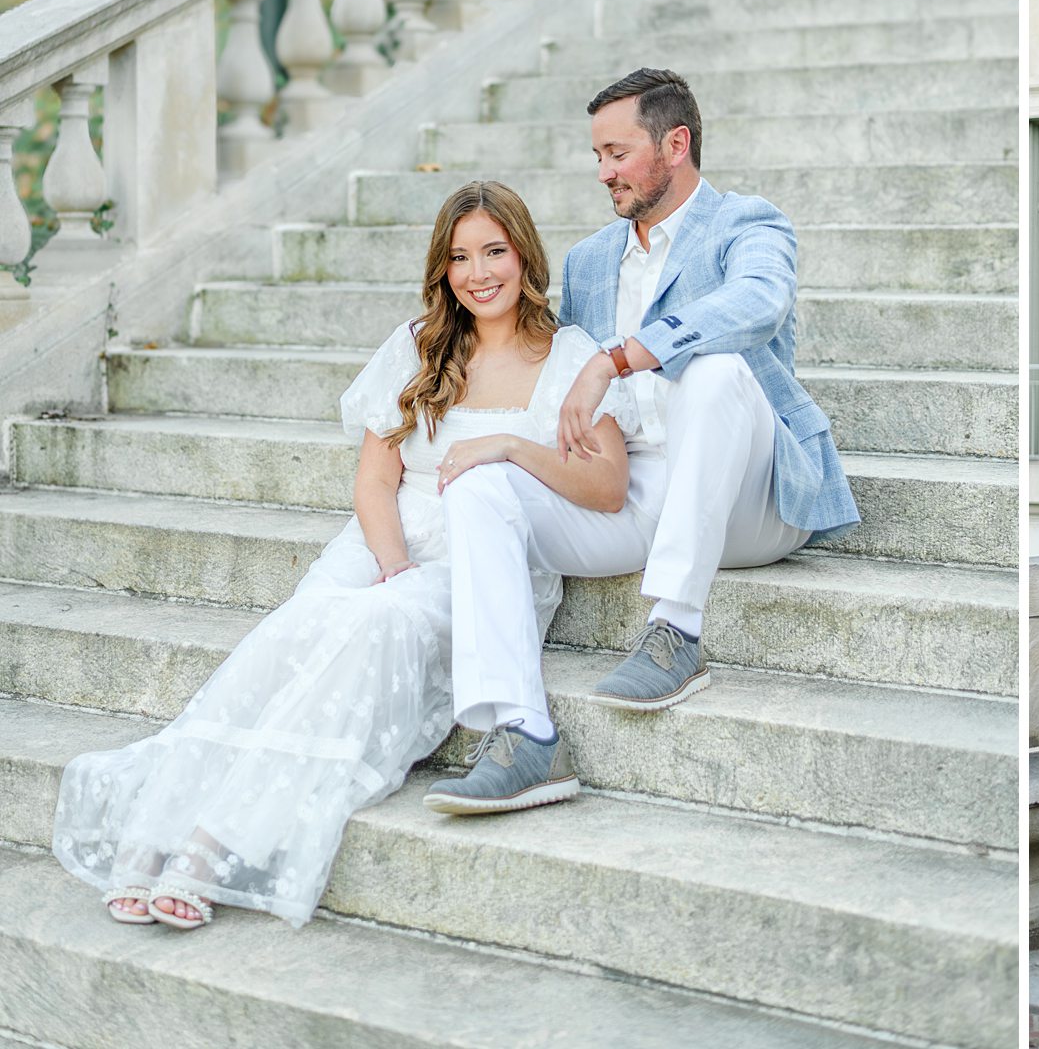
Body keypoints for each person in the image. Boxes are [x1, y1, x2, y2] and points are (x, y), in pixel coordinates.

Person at [50, 181, 633, 928]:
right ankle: (151, 835)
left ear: (525, 254)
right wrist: (391, 565)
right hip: (386, 540)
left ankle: (208, 848)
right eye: (459, 257)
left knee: (373, 629)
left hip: (481, 556)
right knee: (296, 636)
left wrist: (515, 447)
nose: (478, 272)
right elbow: (374, 482)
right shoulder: (418, 345)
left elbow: (609, 487)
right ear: (442, 268)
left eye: (494, 251)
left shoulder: (570, 358)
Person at [423, 67, 859, 815]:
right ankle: (524, 735)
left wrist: (618, 355)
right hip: (632, 490)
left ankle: (675, 631)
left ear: (676, 143)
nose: (604, 172)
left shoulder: (748, 224)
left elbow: (759, 302)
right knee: (479, 483)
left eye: (617, 153)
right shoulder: (592, 260)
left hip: (750, 499)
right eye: (597, 156)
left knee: (716, 372)